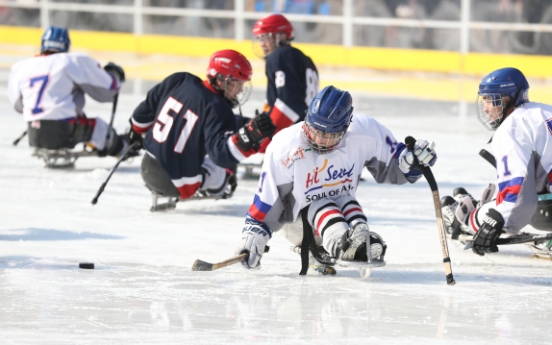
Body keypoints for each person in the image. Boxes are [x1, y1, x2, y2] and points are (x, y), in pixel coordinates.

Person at [234, 86, 438, 270]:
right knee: (322, 201)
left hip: (344, 209)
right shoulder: (285, 147)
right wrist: (253, 234)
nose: (319, 140)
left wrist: (413, 160)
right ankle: (339, 243)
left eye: (329, 135)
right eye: (314, 130)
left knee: (344, 198)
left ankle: (358, 234)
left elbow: (397, 163)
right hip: (296, 222)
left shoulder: (364, 133)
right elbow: (268, 199)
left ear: (345, 128)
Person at [129, 49, 276, 201]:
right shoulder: (220, 109)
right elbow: (222, 156)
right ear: (221, 79)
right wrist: (250, 137)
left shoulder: (180, 80)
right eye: (238, 83)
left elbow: (141, 116)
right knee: (221, 175)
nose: (240, 90)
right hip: (180, 183)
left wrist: (135, 132)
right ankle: (215, 187)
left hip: (147, 167)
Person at [441, 67, 552, 256]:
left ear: (507, 99)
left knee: (499, 209)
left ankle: (465, 220)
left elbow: (517, 196)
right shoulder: (545, 110)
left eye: (490, 100)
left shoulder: (511, 128)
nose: (485, 108)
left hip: (546, 211)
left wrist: (494, 219)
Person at [8, 26, 129, 157]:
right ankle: (124, 150)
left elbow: (18, 106)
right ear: (66, 45)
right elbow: (108, 89)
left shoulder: (21, 67)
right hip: (64, 130)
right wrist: (114, 74)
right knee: (100, 128)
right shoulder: (70, 61)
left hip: (34, 132)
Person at [252, 13, 319, 152]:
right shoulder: (306, 59)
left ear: (282, 35)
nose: (262, 43)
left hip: (290, 136)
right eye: (259, 38)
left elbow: (289, 102)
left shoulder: (281, 55)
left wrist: (269, 135)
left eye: (266, 37)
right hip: (309, 133)